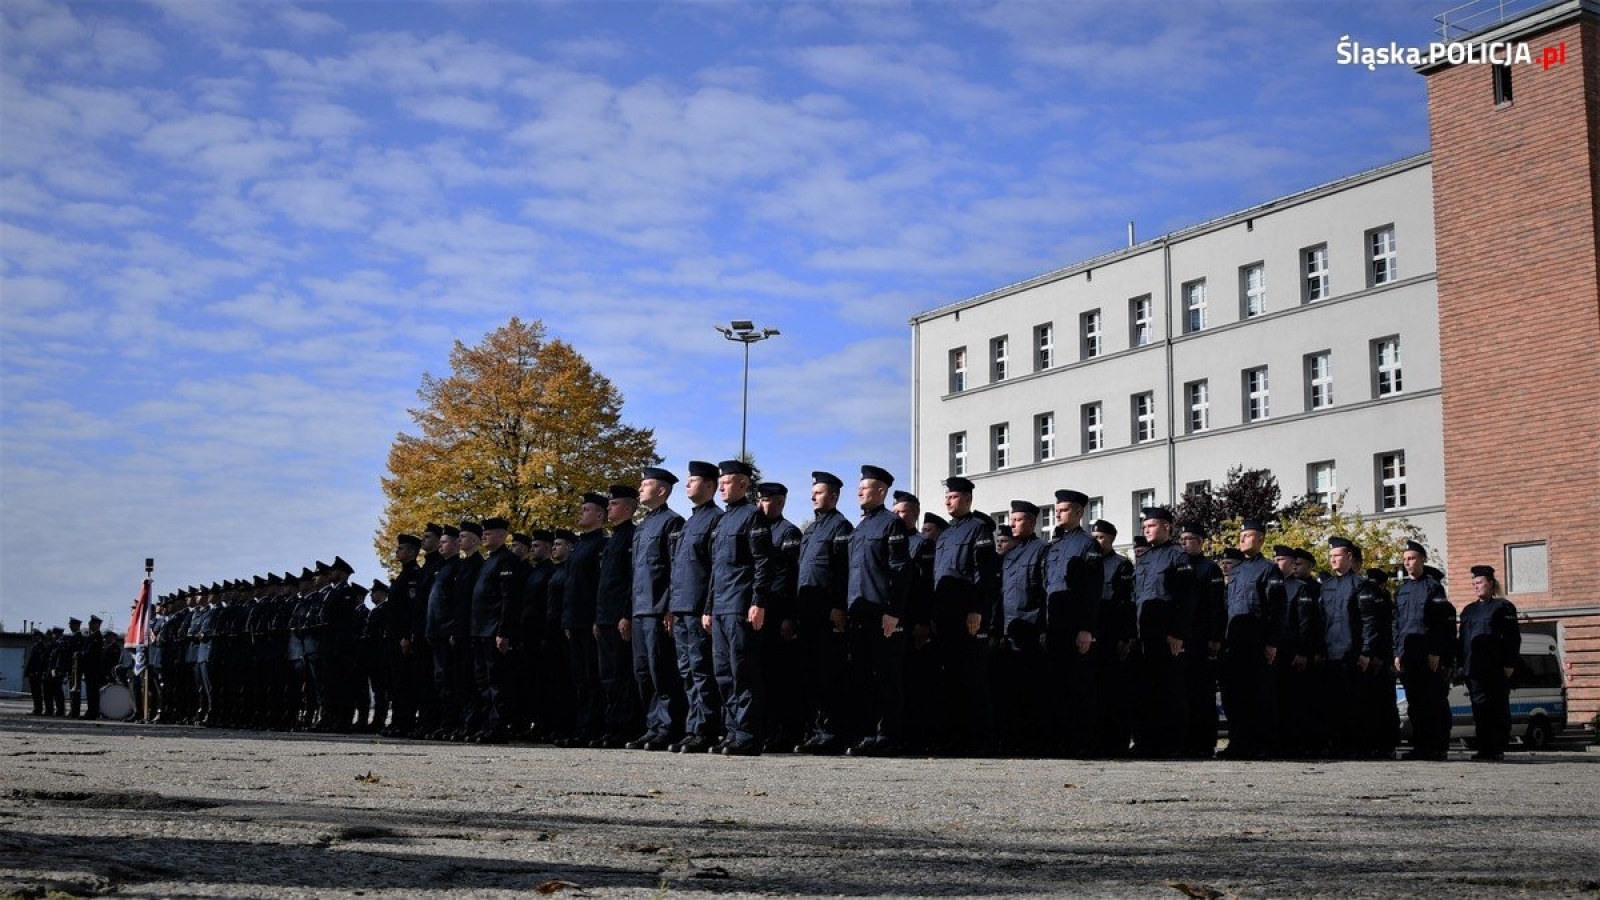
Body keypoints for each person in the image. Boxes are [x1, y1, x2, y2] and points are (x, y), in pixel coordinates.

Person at [845, 465, 912, 756]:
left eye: (866, 486)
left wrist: (893, 610)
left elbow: (900, 569)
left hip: (881, 613)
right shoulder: (860, 527)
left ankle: (887, 735)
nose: (859, 491)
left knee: (886, 676)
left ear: (881, 491)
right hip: (859, 613)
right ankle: (868, 732)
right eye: (859, 487)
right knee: (862, 676)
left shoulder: (890, 524)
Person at [931, 476, 999, 755]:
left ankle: (979, 740)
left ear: (968, 499)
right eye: (947, 496)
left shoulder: (978, 529)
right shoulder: (945, 534)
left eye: (954, 496)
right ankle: (953, 737)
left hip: (967, 615)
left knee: (972, 678)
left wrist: (977, 609)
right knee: (948, 679)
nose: (948, 500)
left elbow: (984, 573)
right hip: (945, 615)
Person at [704, 459, 766, 755]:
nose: (722, 488)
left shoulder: (753, 517)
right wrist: (708, 607)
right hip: (720, 607)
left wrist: (758, 602)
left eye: (726, 482)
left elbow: (763, 563)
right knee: (723, 672)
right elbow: (716, 569)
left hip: (741, 605)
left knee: (743, 671)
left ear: (743, 484)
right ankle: (731, 731)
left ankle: (747, 734)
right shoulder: (722, 521)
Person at [626, 467, 686, 752]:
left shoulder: (672, 523)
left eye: (646, 484)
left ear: (661, 491)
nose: (640, 489)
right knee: (642, 672)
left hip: (657, 608)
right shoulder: (642, 527)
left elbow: (675, 568)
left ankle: (668, 727)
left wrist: (670, 607)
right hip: (639, 608)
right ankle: (652, 726)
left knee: (660, 670)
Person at [794, 471, 854, 755]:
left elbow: (844, 571)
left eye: (818, 493)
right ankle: (817, 729)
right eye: (813, 492)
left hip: (828, 614)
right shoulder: (812, 530)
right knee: (809, 674)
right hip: (807, 613)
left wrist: (839, 606)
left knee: (829, 674)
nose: (812, 497)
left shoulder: (840, 527)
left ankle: (832, 732)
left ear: (833, 496)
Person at [1129, 507, 1194, 759]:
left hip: (1167, 637)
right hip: (1145, 635)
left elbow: (1186, 598)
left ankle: (1173, 744)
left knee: (1170, 691)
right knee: (1145, 691)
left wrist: (1178, 632)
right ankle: (1146, 741)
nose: (1146, 529)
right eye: (1144, 526)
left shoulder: (1178, 557)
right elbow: (1137, 598)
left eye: (1151, 525)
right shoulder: (1144, 560)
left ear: (1167, 527)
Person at [668, 462, 723, 754]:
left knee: (702, 669)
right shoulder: (690, 522)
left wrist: (709, 607)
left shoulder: (716, 519)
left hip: (699, 606)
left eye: (693, 481)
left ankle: (707, 729)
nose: (687, 485)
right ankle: (693, 727)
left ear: (710, 486)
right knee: (687, 670)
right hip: (681, 607)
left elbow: (715, 569)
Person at [1219, 520, 1285, 760]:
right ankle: (1239, 742)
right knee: (1235, 696)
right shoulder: (1235, 571)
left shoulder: (1269, 570)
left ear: (1260, 539)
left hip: (1257, 642)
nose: (1242, 539)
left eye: (1248, 535)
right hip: (1234, 642)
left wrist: (1271, 642)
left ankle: (1263, 744)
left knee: (1260, 696)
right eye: (1241, 535)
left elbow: (1276, 608)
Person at [1045, 490, 1103, 757]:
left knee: (1079, 686)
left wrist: (1086, 628)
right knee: (1057, 686)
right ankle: (1060, 740)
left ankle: (1083, 742)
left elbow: (1092, 590)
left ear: (1079, 513)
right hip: (1054, 625)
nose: (1058, 513)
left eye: (1064, 509)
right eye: (1057, 509)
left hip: (1075, 626)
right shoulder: (1054, 545)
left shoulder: (1087, 545)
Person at [753, 482, 803, 751]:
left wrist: (787, 616)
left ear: (781, 502)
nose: (762, 504)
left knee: (777, 676)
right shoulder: (754, 528)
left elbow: (789, 578)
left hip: (777, 612)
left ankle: (781, 732)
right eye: (760, 500)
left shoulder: (789, 532)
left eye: (768, 500)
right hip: (756, 611)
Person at [1394, 540, 1456, 761]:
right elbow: (1397, 625)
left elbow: (1440, 623)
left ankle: (1437, 747)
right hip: (1409, 654)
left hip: (1428, 654)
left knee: (1433, 702)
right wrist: (1397, 652)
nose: (1407, 563)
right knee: (1415, 703)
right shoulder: (1401, 591)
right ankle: (1420, 746)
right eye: (1405, 559)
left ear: (1422, 559)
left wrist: (1436, 651)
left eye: (1411, 558)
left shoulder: (1433, 587)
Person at [995, 499, 1048, 754]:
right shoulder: (1011, 555)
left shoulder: (1042, 550)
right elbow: (1002, 593)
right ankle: (1013, 740)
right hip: (1010, 630)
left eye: (1018, 520)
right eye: (1011, 519)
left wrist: (1043, 629)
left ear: (1032, 521)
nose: (1013, 524)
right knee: (1010, 689)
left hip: (1031, 629)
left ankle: (1033, 741)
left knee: (1032, 688)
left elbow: (1045, 593)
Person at [558, 495, 609, 747]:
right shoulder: (579, 545)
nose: (581, 513)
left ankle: (591, 728)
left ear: (600, 515)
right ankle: (580, 725)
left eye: (586, 509)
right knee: (578, 678)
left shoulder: (601, 544)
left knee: (591, 677)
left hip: (589, 620)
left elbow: (599, 586)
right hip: (574, 620)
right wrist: (567, 620)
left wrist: (596, 618)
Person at [1458, 565, 1520, 761]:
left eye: (1480, 583)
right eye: (1474, 583)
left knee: (1496, 707)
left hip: (1495, 667)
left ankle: (1496, 747)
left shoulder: (1503, 607)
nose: (1476, 586)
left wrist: (1509, 662)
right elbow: (1463, 639)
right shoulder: (1469, 610)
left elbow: (1512, 637)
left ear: (1491, 584)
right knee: (1479, 708)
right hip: (1472, 667)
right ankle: (1484, 747)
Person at [1176, 523, 1225, 759]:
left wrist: (1215, 637)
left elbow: (1216, 606)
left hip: (1202, 639)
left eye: (1190, 539)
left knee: (1202, 694)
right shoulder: (1178, 565)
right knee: (1182, 693)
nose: (1185, 543)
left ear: (1201, 542)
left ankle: (1204, 743)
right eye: (1182, 538)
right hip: (1181, 638)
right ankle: (1184, 741)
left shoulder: (1210, 569)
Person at [1090, 521, 1136, 756]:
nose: (1096, 541)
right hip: (1092, 634)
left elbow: (1126, 603)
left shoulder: (1121, 566)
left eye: (1101, 537)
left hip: (1112, 636)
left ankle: (1117, 742)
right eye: (1094, 536)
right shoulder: (1088, 563)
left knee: (1114, 693)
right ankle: (1097, 740)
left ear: (1111, 539)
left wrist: (1126, 636)